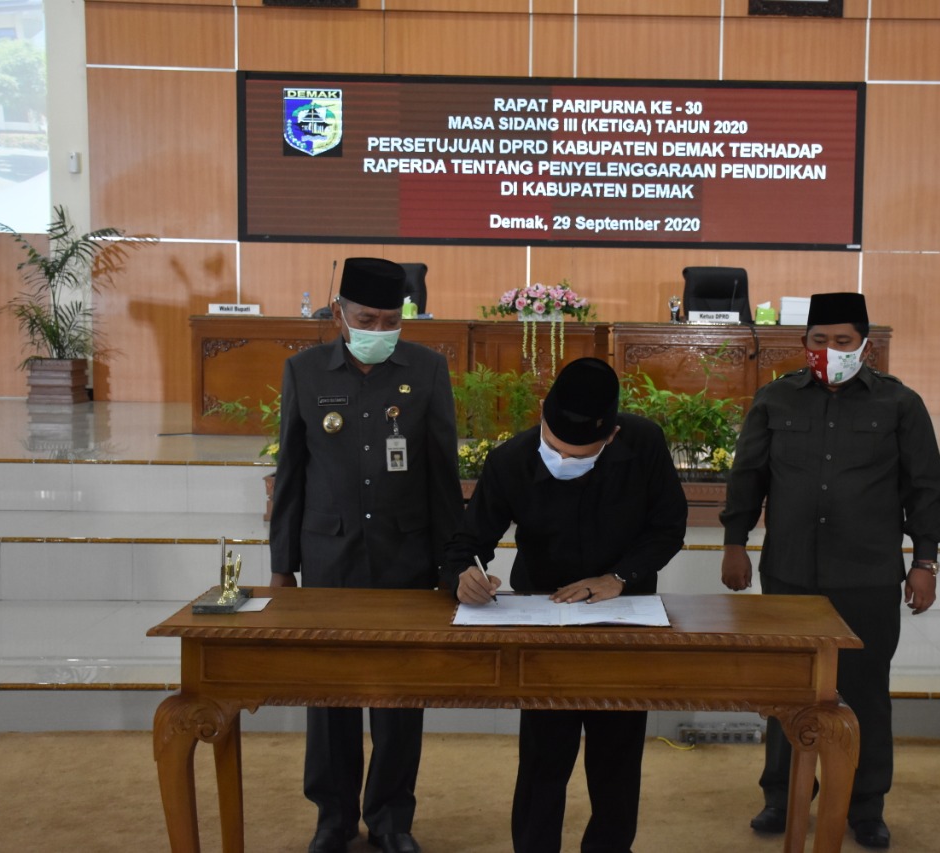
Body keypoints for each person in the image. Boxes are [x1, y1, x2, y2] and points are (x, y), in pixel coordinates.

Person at [720, 292, 940, 850]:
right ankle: (781, 796)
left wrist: (925, 560)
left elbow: (925, 487)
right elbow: (748, 476)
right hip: (790, 572)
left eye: (843, 341)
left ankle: (865, 806)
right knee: (788, 690)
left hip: (867, 574)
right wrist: (734, 542)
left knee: (865, 692)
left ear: (864, 346)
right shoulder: (775, 399)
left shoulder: (900, 404)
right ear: (804, 344)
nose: (830, 351)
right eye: (819, 340)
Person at [444, 357, 687, 853]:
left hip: (623, 616)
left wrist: (619, 577)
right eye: (556, 449)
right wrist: (463, 577)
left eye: (583, 455)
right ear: (542, 414)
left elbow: (668, 527)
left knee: (616, 759)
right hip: (543, 618)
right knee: (542, 757)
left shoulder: (644, 444)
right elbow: (466, 542)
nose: (566, 461)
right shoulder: (511, 459)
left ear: (613, 435)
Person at [270, 257, 464, 853]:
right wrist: (282, 568)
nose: (378, 328)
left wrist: (452, 564)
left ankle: (391, 819)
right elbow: (292, 474)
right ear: (339, 314)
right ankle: (332, 817)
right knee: (330, 697)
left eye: (390, 318)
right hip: (329, 559)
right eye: (366, 318)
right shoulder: (304, 371)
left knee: (399, 699)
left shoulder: (428, 370)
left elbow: (441, 474)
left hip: (405, 560)